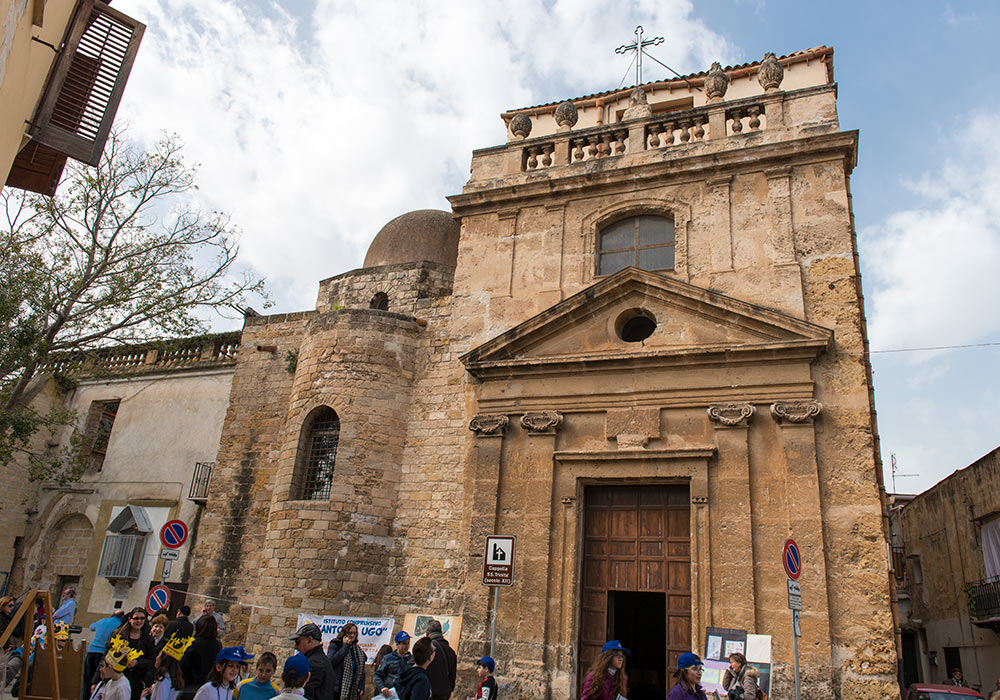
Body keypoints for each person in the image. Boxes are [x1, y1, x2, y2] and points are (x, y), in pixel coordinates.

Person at [112, 607, 157, 700]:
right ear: (130, 619)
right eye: (136, 618)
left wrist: (137, 662)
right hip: (116, 678)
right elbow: (106, 656)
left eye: (142, 618)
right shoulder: (118, 635)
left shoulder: (148, 640)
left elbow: (152, 662)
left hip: (136, 682)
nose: (139, 621)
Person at [179, 615, 222, 700]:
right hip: (208, 686)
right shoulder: (217, 645)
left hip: (190, 686)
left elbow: (183, 664)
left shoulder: (193, 643)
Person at [288, 623, 332, 700]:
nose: (295, 646)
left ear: (309, 640)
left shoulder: (313, 664)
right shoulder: (324, 661)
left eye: (298, 642)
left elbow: (307, 694)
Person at [87, 612, 127, 697]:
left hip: (91, 650)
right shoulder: (119, 625)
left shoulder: (103, 621)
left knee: (88, 679)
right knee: (101, 676)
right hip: (103, 653)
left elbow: (91, 627)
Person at [144, 632, 193, 700]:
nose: (157, 657)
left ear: (163, 660)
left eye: (159, 655)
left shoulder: (164, 679)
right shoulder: (173, 678)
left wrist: (143, 698)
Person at [327, 623, 366, 700]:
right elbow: (331, 662)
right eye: (349, 633)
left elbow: (361, 670)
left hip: (353, 690)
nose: (352, 635)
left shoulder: (357, 649)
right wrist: (345, 647)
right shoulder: (336, 644)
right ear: (344, 633)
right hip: (337, 688)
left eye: (354, 633)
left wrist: (361, 686)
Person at [423, 620, 456, 700]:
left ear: (428, 633)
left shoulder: (427, 648)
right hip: (443, 695)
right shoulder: (451, 652)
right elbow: (452, 677)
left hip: (428, 693)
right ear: (441, 632)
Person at [375, 631, 413, 697]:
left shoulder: (411, 660)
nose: (406, 646)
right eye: (404, 643)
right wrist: (382, 687)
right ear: (397, 645)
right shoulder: (388, 658)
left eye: (408, 643)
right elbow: (377, 675)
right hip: (390, 694)